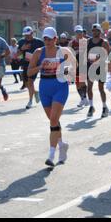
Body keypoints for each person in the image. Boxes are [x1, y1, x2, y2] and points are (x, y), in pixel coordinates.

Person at [27, 27, 76, 167]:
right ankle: (62, 145)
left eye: (50, 38)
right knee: (53, 120)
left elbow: (74, 65)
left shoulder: (64, 51)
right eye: (45, 38)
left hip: (60, 86)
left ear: (55, 39)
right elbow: (29, 72)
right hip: (44, 87)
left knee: (53, 120)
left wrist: (67, 72)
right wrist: (40, 67)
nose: (47, 41)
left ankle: (51, 155)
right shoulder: (38, 52)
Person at [86, 23, 111, 118]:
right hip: (91, 67)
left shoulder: (104, 42)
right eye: (93, 30)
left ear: (100, 32)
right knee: (89, 88)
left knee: (101, 89)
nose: (94, 32)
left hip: (101, 68)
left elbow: (108, 54)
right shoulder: (88, 41)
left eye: (96, 31)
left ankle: (104, 107)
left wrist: (97, 57)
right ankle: (91, 106)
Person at [18, 26, 44, 109]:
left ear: (32, 33)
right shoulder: (21, 41)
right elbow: (17, 54)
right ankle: (36, 92)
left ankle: (30, 101)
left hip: (35, 65)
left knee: (30, 82)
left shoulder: (39, 42)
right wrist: (22, 49)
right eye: (25, 35)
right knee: (27, 83)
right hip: (25, 64)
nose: (26, 36)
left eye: (28, 35)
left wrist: (38, 59)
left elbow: (45, 52)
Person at [69, 25, 89, 107]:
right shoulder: (71, 43)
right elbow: (68, 54)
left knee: (82, 81)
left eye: (80, 32)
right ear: (75, 33)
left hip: (83, 64)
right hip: (75, 65)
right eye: (77, 32)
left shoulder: (86, 41)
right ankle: (83, 99)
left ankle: (85, 98)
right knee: (77, 83)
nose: (79, 34)